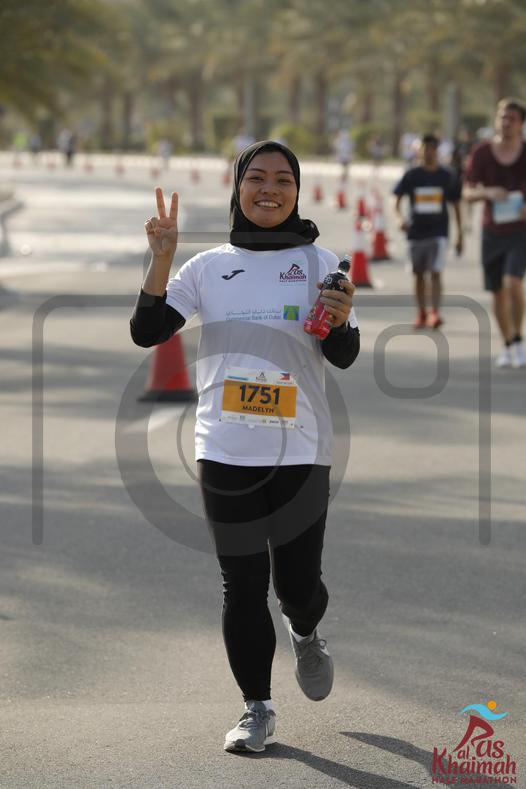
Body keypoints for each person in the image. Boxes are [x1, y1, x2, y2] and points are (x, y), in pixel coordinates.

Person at [130, 140, 360, 753]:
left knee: (298, 587)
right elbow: (147, 331)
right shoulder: (207, 267)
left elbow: (343, 355)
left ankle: (305, 631)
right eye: (256, 177)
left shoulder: (321, 263)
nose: (269, 189)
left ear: (297, 192)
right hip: (224, 448)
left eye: (283, 179)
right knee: (241, 582)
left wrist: (340, 322)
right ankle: (257, 708)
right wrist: (161, 259)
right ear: (238, 188)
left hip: (301, 449)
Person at [464, 98, 526, 368]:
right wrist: (488, 192)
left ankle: (518, 340)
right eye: (502, 117)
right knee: (498, 292)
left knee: (513, 283)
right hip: (492, 232)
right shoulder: (482, 153)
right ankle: (508, 344)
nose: (506, 122)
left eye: (512, 118)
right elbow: (467, 192)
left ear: (521, 124)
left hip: (520, 231)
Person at [393, 134, 463, 329]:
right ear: (419, 151)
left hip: (439, 232)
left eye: (431, 149)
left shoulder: (447, 176)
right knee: (418, 274)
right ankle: (421, 313)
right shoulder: (411, 175)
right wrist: (398, 218)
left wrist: (460, 235)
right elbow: (395, 199)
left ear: (437, 151)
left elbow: (456, 205)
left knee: (436, 272)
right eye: (424, 149)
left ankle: (435, 312)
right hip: (415, 232)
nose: (427, 153)